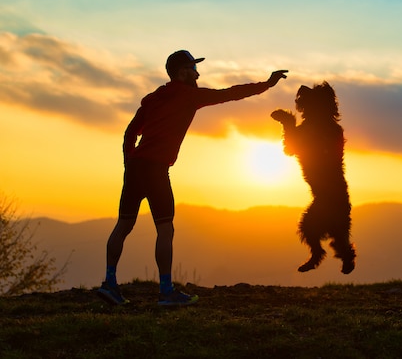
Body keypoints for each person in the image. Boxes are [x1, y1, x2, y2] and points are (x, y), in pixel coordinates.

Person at [97, 50, 288, 306]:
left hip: (135, 167)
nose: (198, 73)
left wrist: (128, 163)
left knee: (123, 225)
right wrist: (267, 84)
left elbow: (130, 133)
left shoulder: (152, 99)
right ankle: (166, 291)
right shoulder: (190, 96)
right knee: (165, 229)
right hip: (155, 169)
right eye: (193, 68)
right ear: (182, 72)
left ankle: (109, 283)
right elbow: (230, 93)